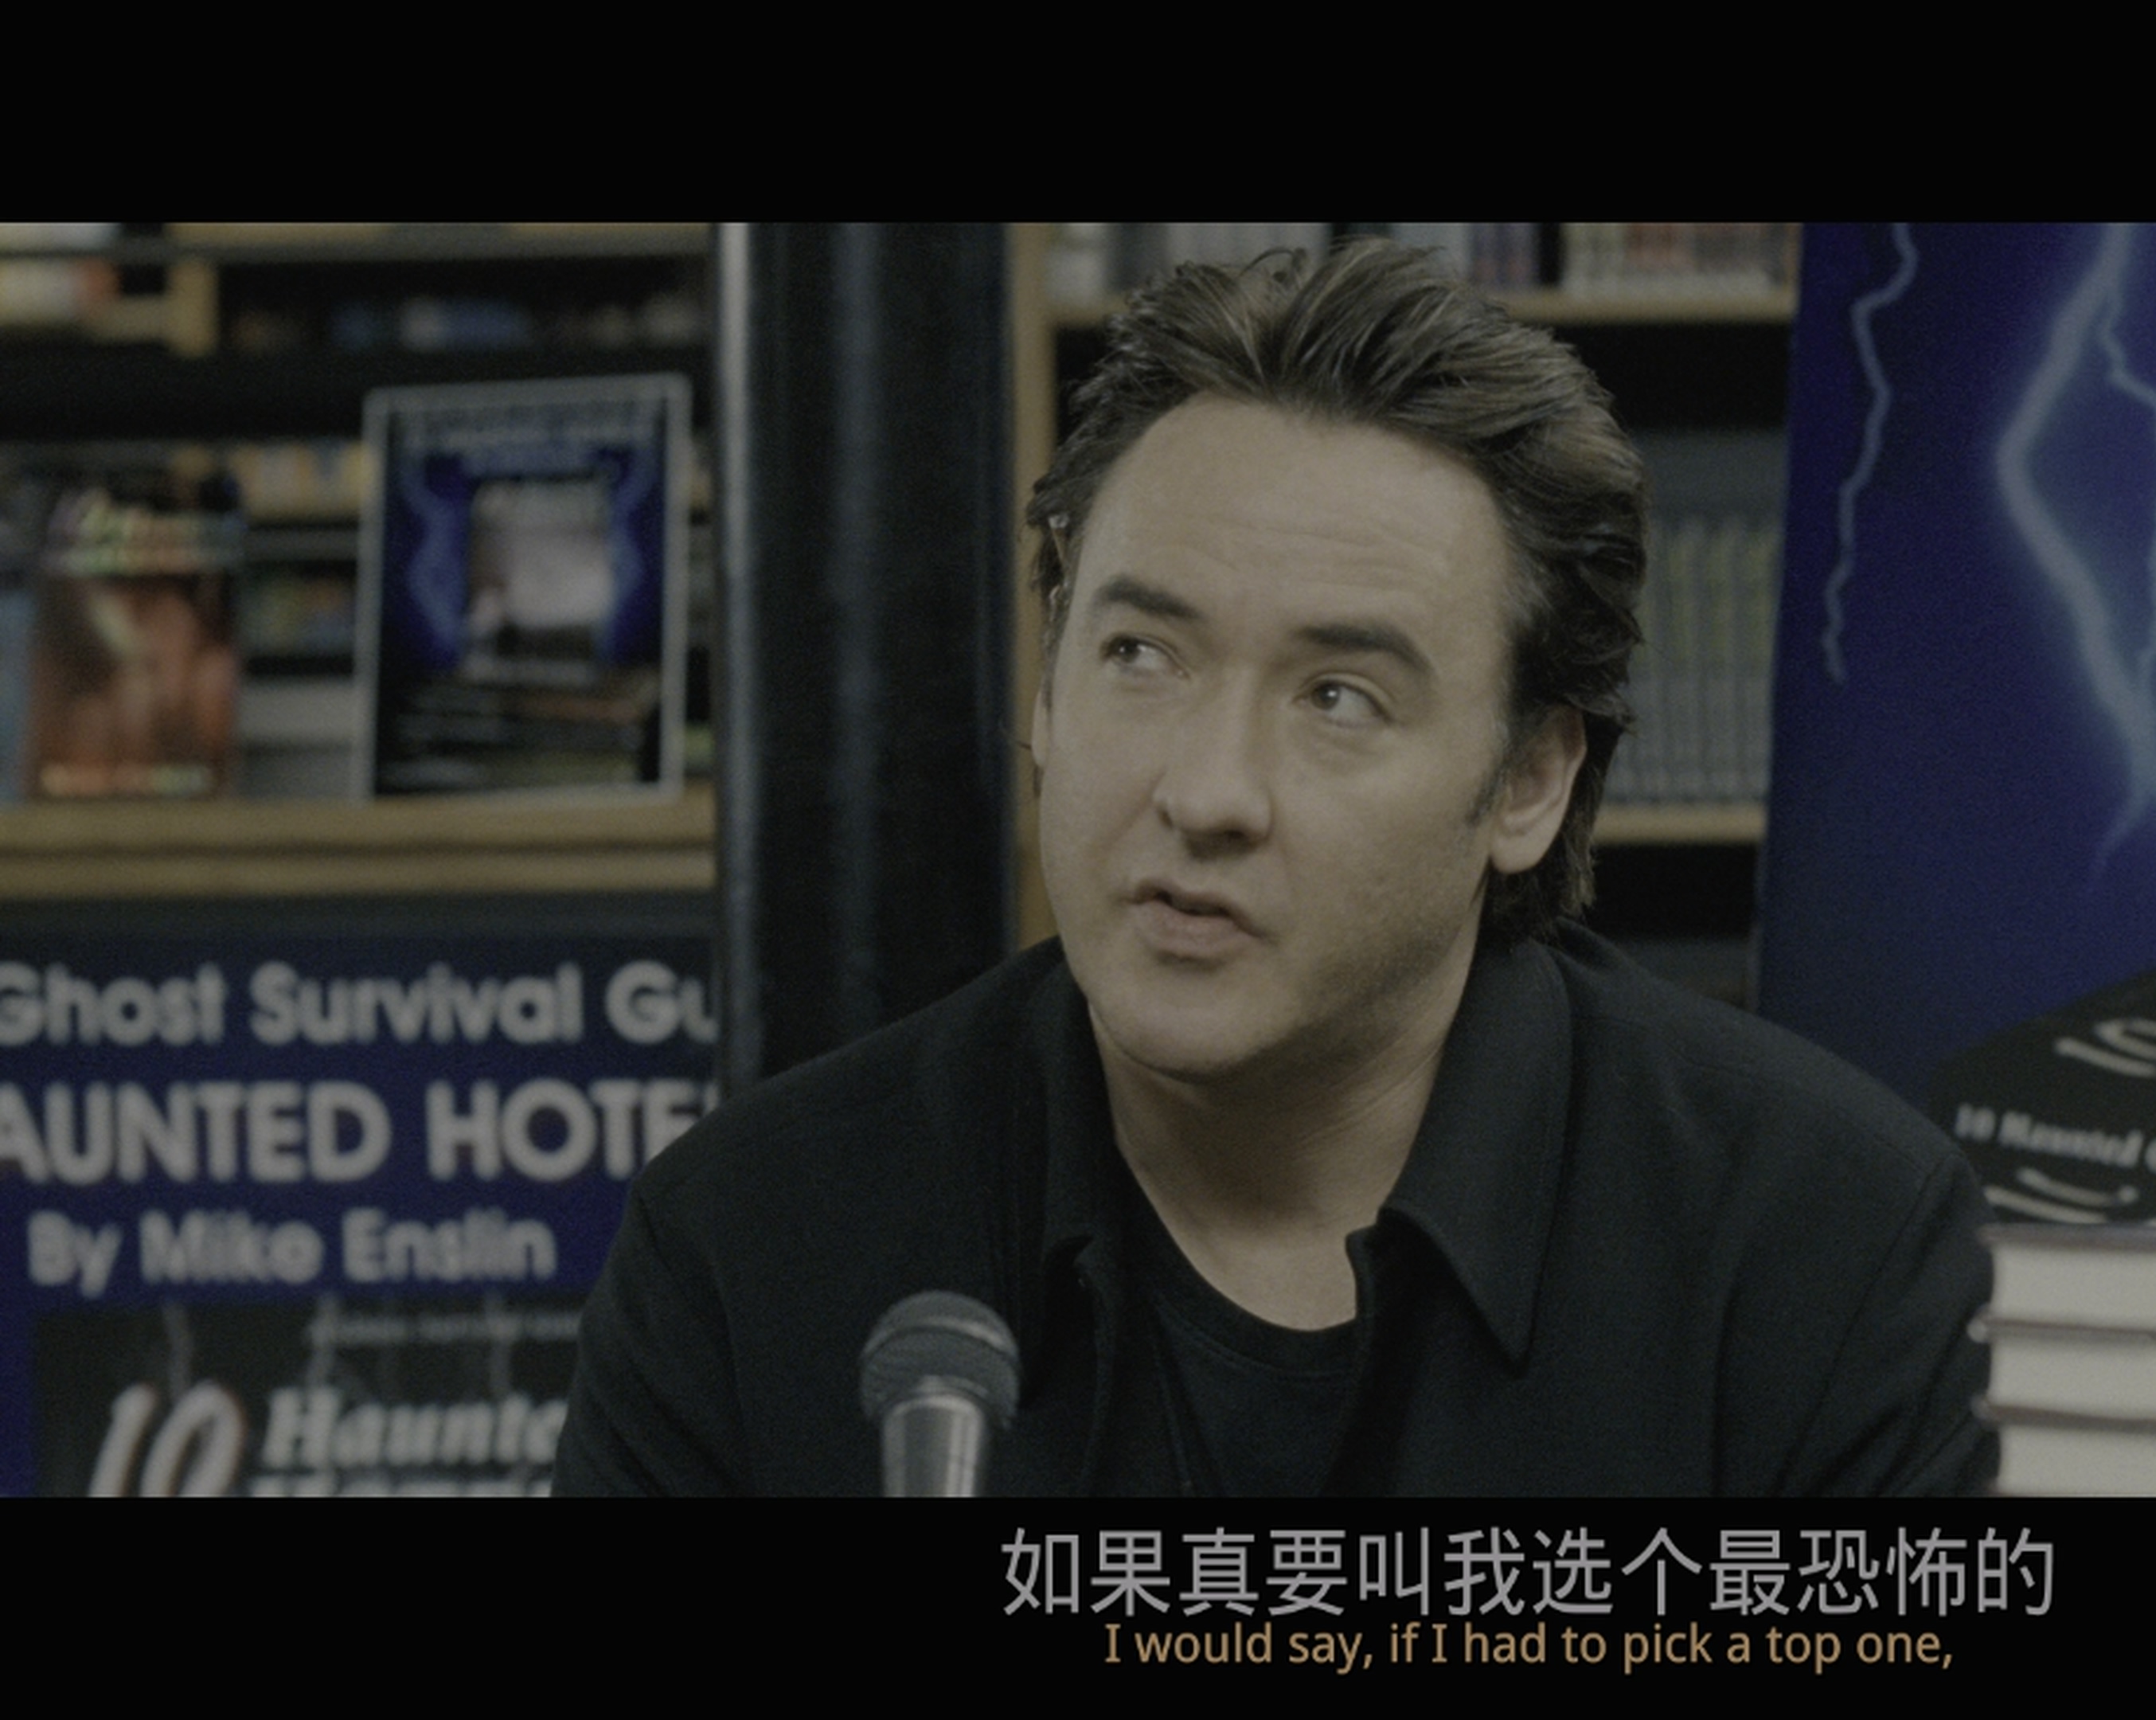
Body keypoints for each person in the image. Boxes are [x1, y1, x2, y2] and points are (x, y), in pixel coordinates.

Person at [554, 239, 1994, 1495]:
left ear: (1530, 782)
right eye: (1141, 655)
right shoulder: (748, 1252)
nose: (1206, 792)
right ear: (1045, 690)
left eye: (1338, 698)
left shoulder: (1825, 1254)